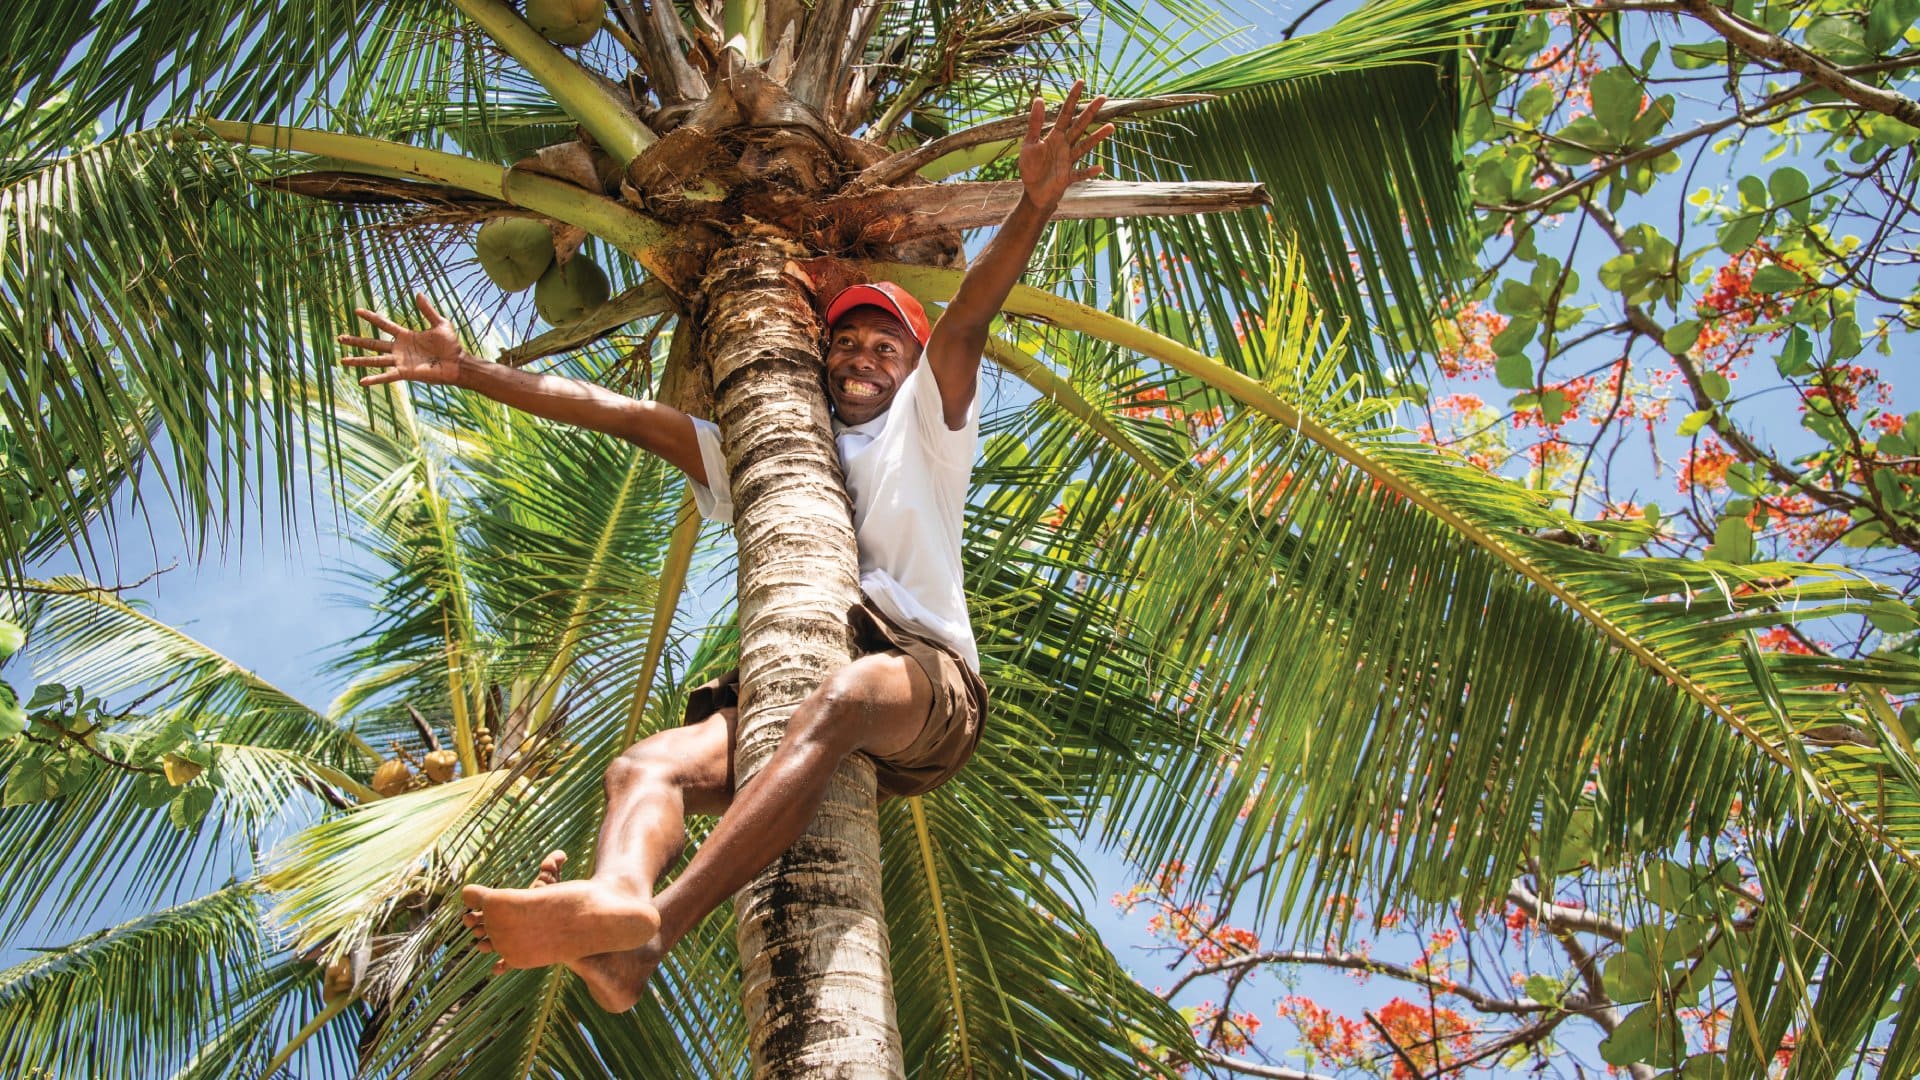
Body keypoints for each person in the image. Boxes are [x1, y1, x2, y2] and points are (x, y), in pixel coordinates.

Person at [338, 81, 1114, 1012]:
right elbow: (625, 414)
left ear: (909, 368)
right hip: (793, 681)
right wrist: (472, 372)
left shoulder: (930, 428)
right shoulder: (781, 445)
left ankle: (654, 931)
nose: (861, 359)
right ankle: (617, 901)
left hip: (923, 680)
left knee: (841, 695)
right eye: (846, 345)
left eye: (882, 348)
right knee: (645, 766)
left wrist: (1033, 203)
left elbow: (971, 316)